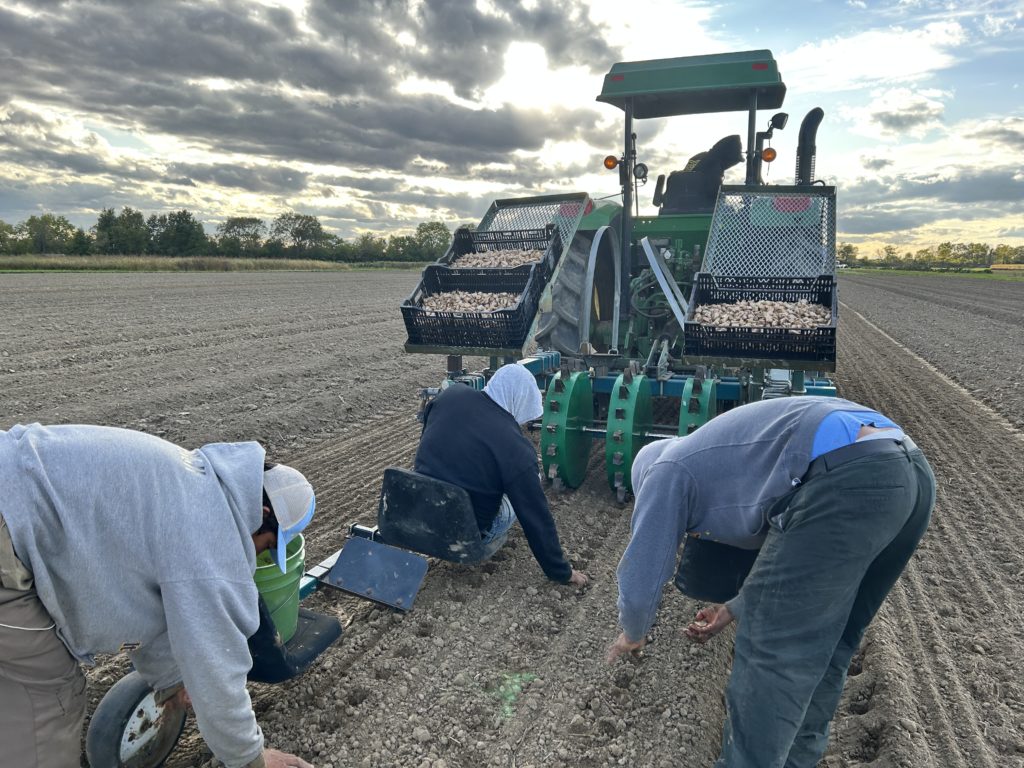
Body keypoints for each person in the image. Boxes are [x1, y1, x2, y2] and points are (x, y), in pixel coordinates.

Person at [606, 396, 935, 768]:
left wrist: (633, 632)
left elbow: (643, 567)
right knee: (832, 644)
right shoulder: (727, 463)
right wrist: (734, 607)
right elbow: (793, 555)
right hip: (908, 474)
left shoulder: (664, 471)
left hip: (847, 477)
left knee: (771, 655)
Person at [0, 423, 317, 768]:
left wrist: (173, 679)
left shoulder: (192, 482)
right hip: (9, 529)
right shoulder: (213, 537)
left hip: (13, 485)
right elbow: (217, 669)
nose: (257, 558)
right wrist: (252, 760)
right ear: (263, 516)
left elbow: (151, 603)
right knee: (45, 701)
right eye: (267, 546)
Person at [414, 364, 588, 587]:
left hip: (418, 504)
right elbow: (535, 516)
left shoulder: (450, 395)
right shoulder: (516, 448)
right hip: (467, 530)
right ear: (520, 401)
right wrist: (561, 572)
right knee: (527, 484)